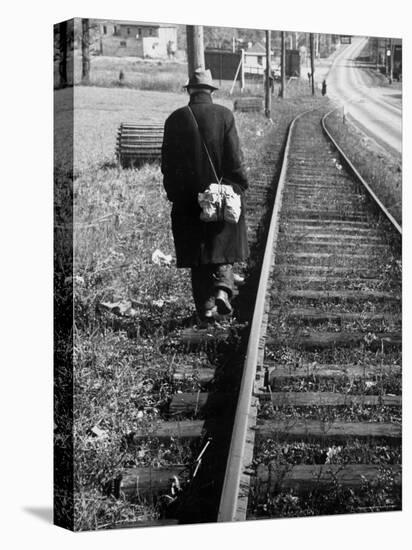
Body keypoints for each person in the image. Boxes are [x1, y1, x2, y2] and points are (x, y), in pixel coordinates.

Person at [161, 68, 249, 325]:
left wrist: (176, 194)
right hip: (220, 196)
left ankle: (206, 309)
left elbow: (168, 164)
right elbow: (235, 159)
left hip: (188, 201)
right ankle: (223, 288)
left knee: (198, 255)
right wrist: (239, 186)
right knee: (223, 244)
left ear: (189, 90)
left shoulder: (175, 119)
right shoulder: (224, 115)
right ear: (210, 91)